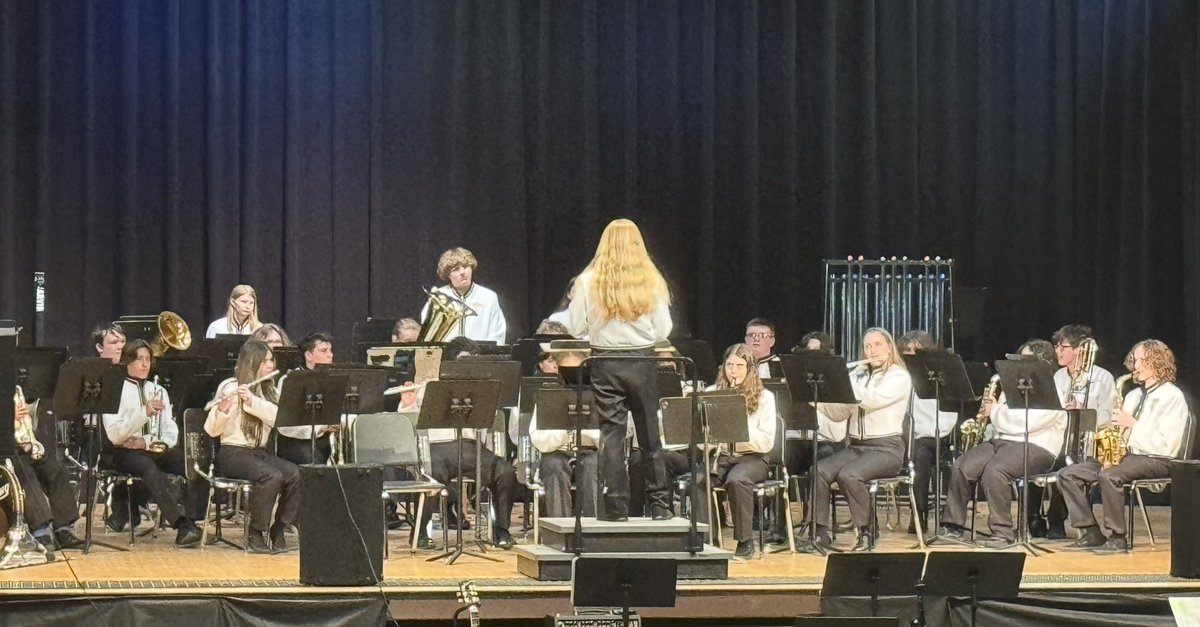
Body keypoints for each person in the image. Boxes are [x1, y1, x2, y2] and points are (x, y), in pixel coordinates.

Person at [566, 219, 673, 522]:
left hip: (605, 362)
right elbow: (665, 328)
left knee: (611, 436)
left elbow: (575, 328)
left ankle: (615, 508)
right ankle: (660, 506)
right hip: (642, 361)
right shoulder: (650, 279)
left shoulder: (588, 281)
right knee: (649, 435)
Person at [1058, 340, 1189, 553]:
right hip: (1127, 455)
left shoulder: (1172, 396)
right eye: (1135, 360)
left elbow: (1169, 445)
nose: (1135, 366)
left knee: (1110, 476)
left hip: (1156, 458)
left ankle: (1117, 537)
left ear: (1157, 362)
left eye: (1142, 361)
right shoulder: (1133, 395)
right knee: (1068, 474)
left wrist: (1134, 425)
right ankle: (1090, 530)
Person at [939, 339, 1068, 548]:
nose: (1019, 365)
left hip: (1037, 446)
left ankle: (1002, 532)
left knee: (995, 471)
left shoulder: (1054, 391)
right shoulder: (1012, 387)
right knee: (962, 466)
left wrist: (997, 413)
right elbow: (1007, 421)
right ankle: (953, 525)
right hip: (1002, 441)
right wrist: (998, 414)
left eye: (1025, 360)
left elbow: (1028, 425)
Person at [804, 328, 911, 552]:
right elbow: (840, 413)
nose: (872, 350)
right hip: (857, 446)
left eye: (877, 344)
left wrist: (844, 381)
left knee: (850, 475)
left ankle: (866, 531)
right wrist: (817, 399)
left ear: (889, 347)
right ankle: (819, 534)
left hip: (887, 449)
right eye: (867, 346)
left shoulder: (899, 376)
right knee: (819, 471)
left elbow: (871, 400)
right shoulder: (858, 376)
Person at [101, 340, 205, 548]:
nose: (145, 364)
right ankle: (181, 524)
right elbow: (115, 435)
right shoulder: (114, 389)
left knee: (193, 464)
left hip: (151, 448)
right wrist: (144, 413)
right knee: (148, 468)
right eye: (139, 359)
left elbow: (171, 430)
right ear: (127, 361)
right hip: (121, 451)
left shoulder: (159, 391)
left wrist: (149, 442)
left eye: (148, 359)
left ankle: (194, 520)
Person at [204, 339, 298, 554]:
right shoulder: (230, 386)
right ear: (252, 362)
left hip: (258, 452)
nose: (271, 365)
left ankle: (279, 528)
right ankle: (255, 533)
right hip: (232, 452)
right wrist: (223, 410)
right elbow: (211, 430)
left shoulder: (269, 389)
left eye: (271, 360)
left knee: (296, 475)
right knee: (271, 476)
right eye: (265, 361)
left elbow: (279, 419)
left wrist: (252, 402)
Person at [1029, 324, 1116, 539]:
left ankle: (1056, 521)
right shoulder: (1058, 376)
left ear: (1079, 350)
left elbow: (1110, 414)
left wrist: (1083, 411)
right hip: (1059, 439)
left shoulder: (1102, 378)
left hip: (1090, 444)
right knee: (1030, 459)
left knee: (1068, 466)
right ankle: (1033, 518)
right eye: (1057, 347)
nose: (1057, 351)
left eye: (1063, 347)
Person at [695, 344, 777, 558]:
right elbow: (700, 439)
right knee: (699, 480)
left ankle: (745, 541)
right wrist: (709, 440)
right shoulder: (711, 393)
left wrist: (737, 426)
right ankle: (705, 540)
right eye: (730, 365)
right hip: (720, 456)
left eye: (740, 365)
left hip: (752, 458)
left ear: (750, 369)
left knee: (737, 480)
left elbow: (767, 442)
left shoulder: (765, 397)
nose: (733, 370)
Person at [897, 330, 957, 534]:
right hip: (915, 437)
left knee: (922, 452)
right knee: (919, 456)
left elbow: (950, 415)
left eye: (917, 350)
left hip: (941, 435)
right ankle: (918, 515)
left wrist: (928, 433)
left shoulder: (941, 376)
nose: (912, 354)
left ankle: (949, 518)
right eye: (907, 351)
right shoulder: (903, 378)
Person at [529, 349, 599, 518]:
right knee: (554, 467)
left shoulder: (598, 396)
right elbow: (538, 438)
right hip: (556, 451)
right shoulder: (548, 396)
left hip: (590, 451)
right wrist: (565, 430)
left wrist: (587, 430)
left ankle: (592, 528)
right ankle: (560, 529)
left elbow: (610, 437)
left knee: (591, 467)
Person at [11, 389, 80, 549]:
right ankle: (40, 530)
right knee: (24, 472)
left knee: (56, 469)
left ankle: (62, 529)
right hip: (5, 452)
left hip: (25, 447)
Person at [274, 332, 336, 465]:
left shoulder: (333, 380)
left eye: (330, 350)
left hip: (326, 441)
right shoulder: (290, 380)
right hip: (297, 443)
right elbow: (285, 424)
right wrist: (320, 428)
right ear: (308, 355)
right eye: (324, 351)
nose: (330, 355)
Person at [420, 247, 506, 343]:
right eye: (456, 269)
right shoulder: (438, 296)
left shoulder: (489, 297)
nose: (462, 272)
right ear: (448, 274)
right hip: (445, 356)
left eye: (465, 267)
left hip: (480, 357)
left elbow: (497, 334)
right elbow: (427, 328)